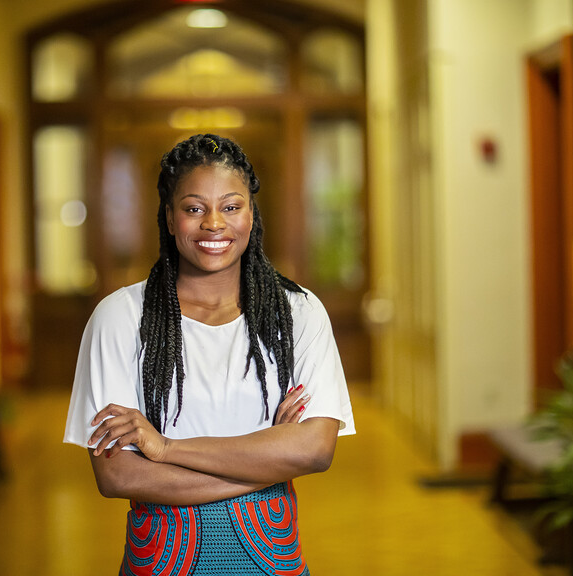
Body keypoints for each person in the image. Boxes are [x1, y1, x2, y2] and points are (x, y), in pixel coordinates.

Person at [64, 133, 355, 575]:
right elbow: (119, 476)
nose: (214, 224)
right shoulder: (119, 319)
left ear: (252, 215)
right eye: (194, 208)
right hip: (160, 564)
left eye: (231, 206)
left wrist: (163, 448)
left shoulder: (297, 313)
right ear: (169, 216)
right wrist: (269, 456)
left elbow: (315, 450)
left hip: (271, 563)